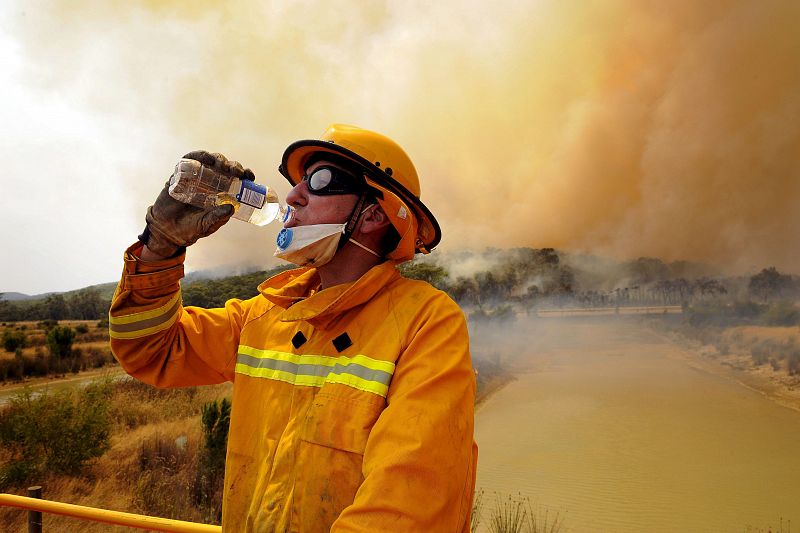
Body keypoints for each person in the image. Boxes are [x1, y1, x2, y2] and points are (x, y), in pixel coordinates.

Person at [109, 124, 477, 532]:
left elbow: (407, 505)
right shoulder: (267, 314)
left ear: (374, 213)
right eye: (298, 180)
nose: (293, 195)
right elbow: (150, 349)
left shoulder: (425, 322)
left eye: (319, 181)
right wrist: (160, 245)